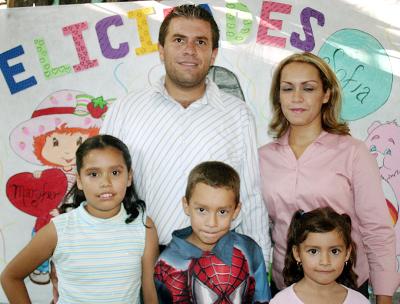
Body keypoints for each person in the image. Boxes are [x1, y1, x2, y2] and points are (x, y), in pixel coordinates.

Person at [100, 4, 270, 264]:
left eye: (200, 42)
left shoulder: (237, 115)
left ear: (213, 55)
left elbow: (249, 198)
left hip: (213, 265)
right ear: (160, 49)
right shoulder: (125, 109)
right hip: (133, 261)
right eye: (179, 40)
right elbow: (97, 187)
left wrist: (261, 266)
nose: (189, 50)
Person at [258, 52, 399, 303]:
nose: (297, 98)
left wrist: (384, 296)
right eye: (288, 88)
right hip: (285, 287)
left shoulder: (353, 152)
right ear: (278, 96)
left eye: (308, 88)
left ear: (326, 94)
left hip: (347, 287)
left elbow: (377, 229)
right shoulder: (263, 158)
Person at [1, 134, 159, 303]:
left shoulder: (143, 227)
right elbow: (10, 277)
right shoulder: (59, 229)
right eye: (93, 174)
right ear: (80, 181)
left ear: (128, 177)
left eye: (115, 172)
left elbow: (150, 292)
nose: (105, 182)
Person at [154, 161, 271, 303]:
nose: (212, 223)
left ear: (235, 211)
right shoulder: (168, 261)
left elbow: (262, 299)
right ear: (186, 205)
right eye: (202, 210)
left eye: (222, 212)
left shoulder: (249, 250)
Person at [270, 207, 369, 304]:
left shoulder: (360, 301)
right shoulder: (281, 301)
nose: (325, 261)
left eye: (334, 251)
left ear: (347, 253)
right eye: (313, 251)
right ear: (297, 253)